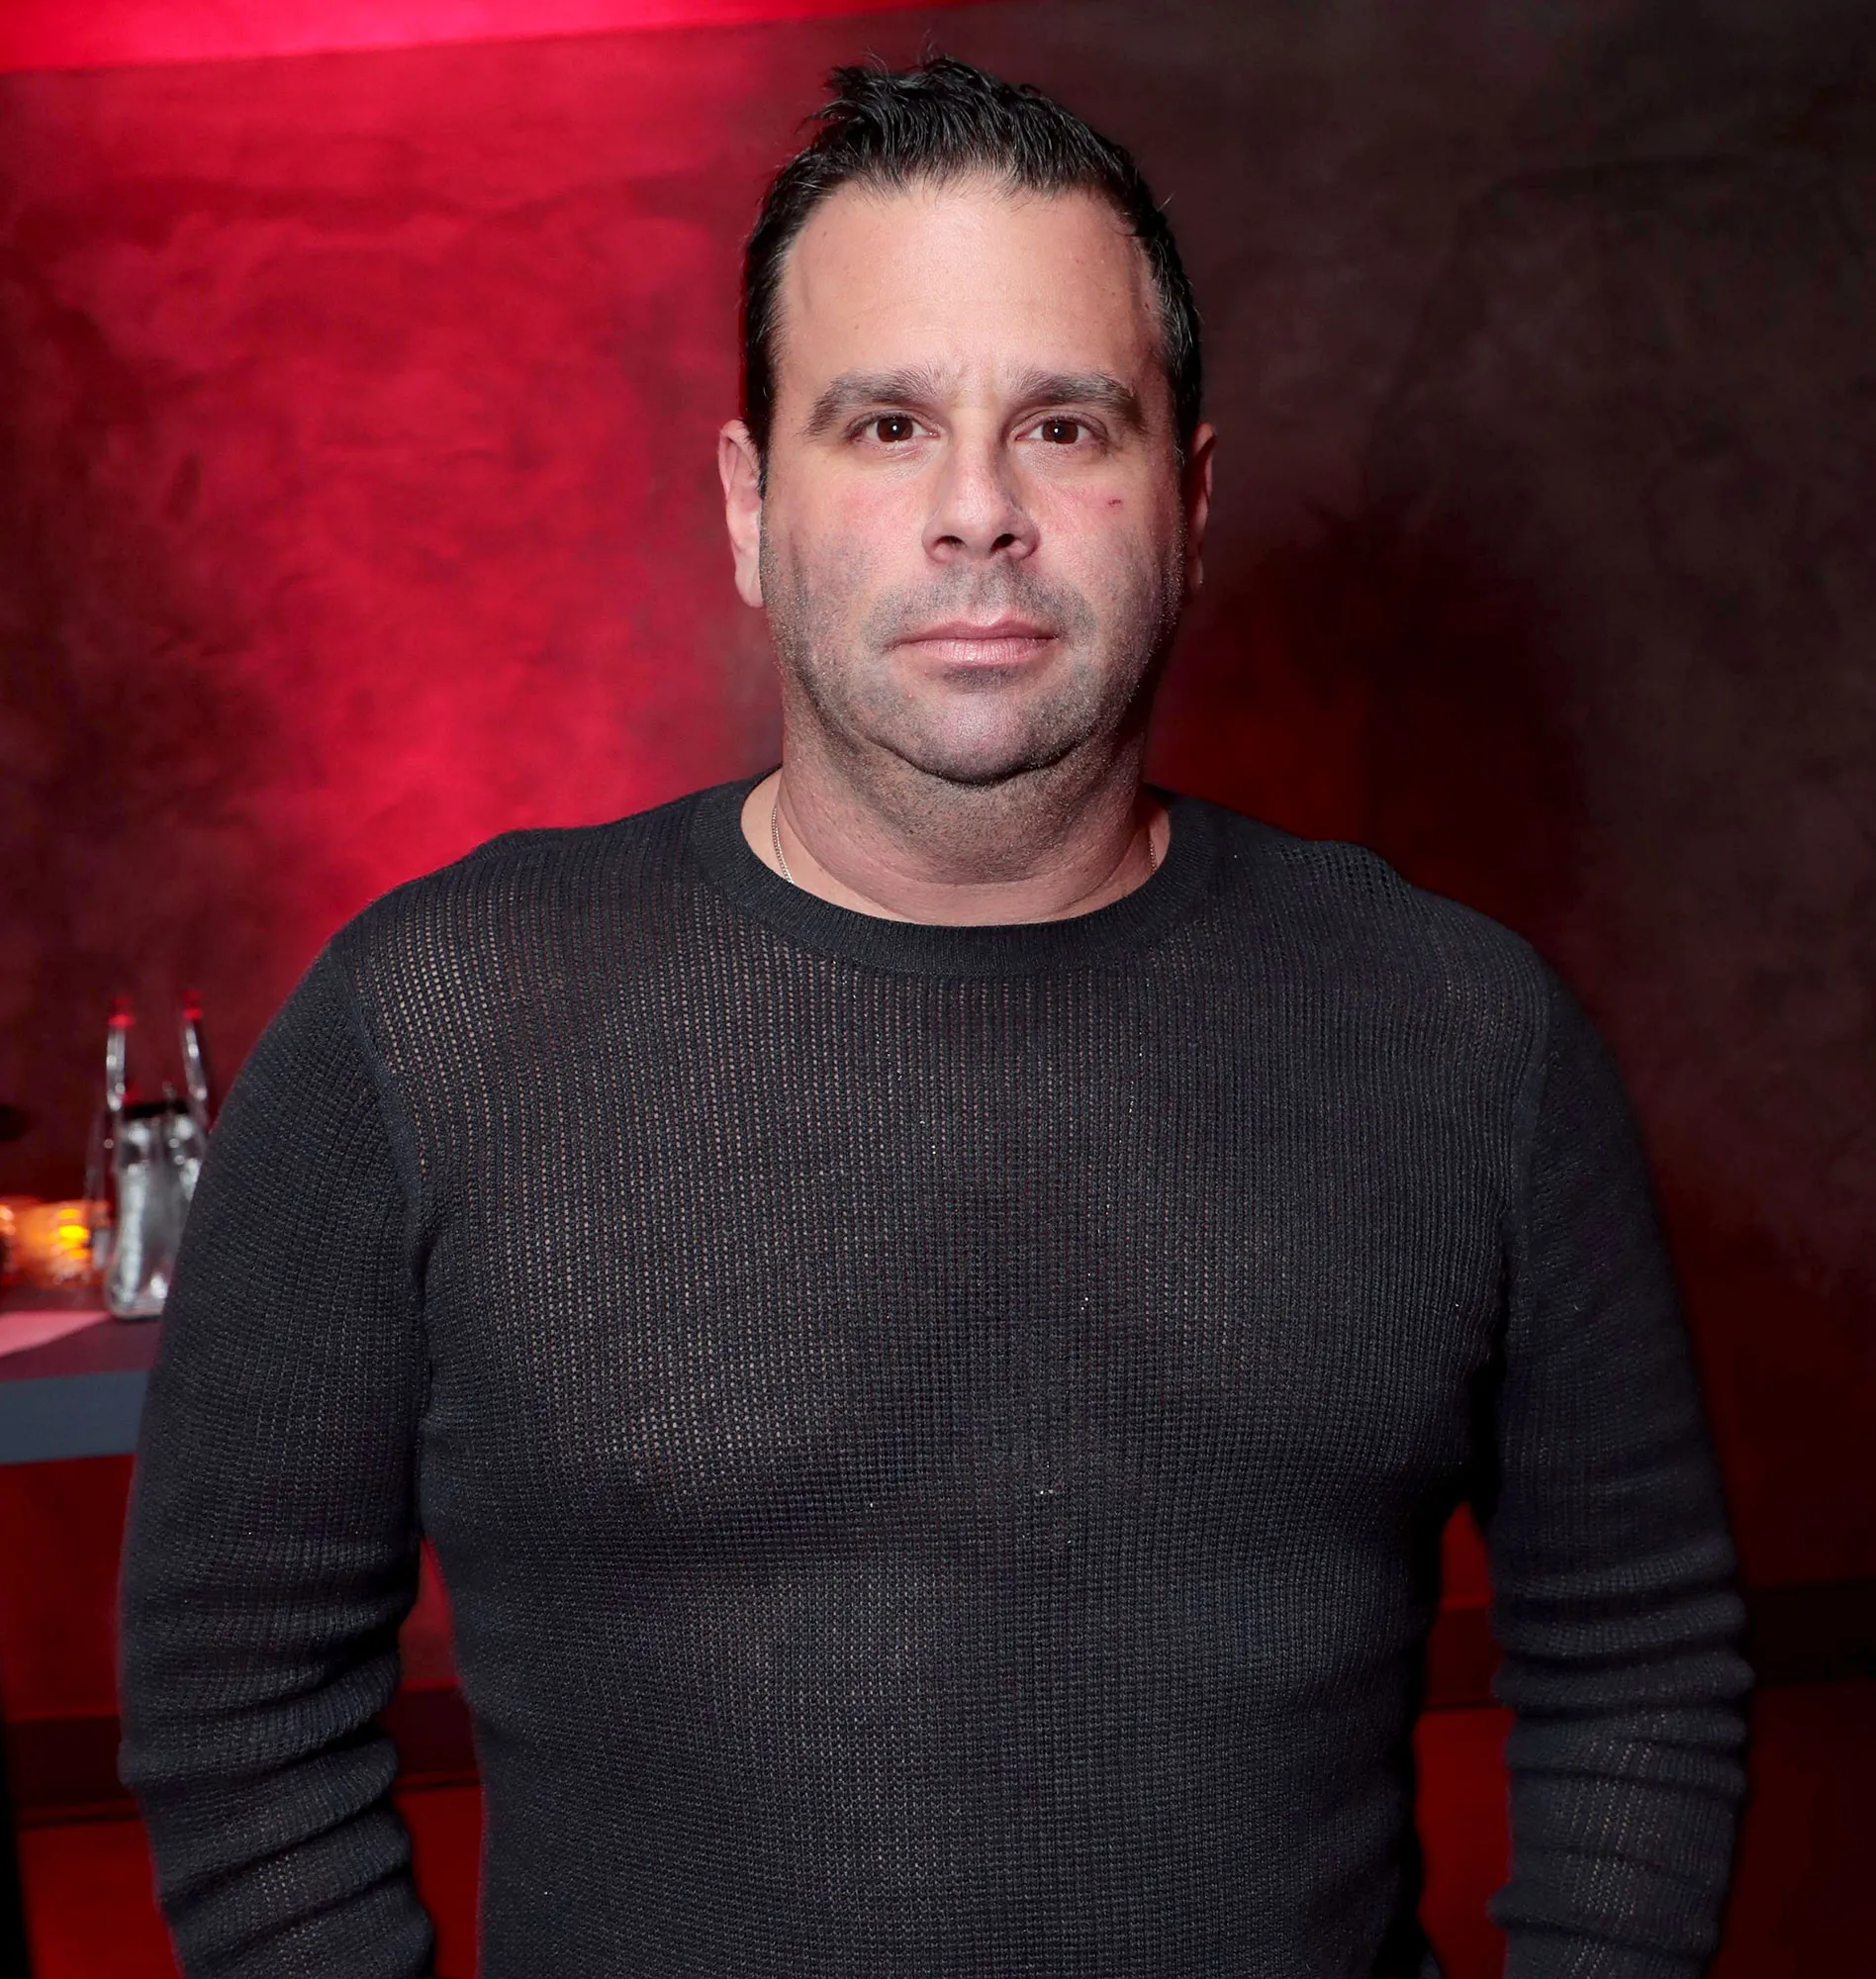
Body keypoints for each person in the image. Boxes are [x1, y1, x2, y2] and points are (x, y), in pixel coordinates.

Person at [120, 55, 1750, 1979]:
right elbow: (235, 1689)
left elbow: (1639, 1662)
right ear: (750, 508)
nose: (979, 511)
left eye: (1064, 425)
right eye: (886, 424)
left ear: (1190, 500)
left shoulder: (1465, 1036)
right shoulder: (431, 1026)